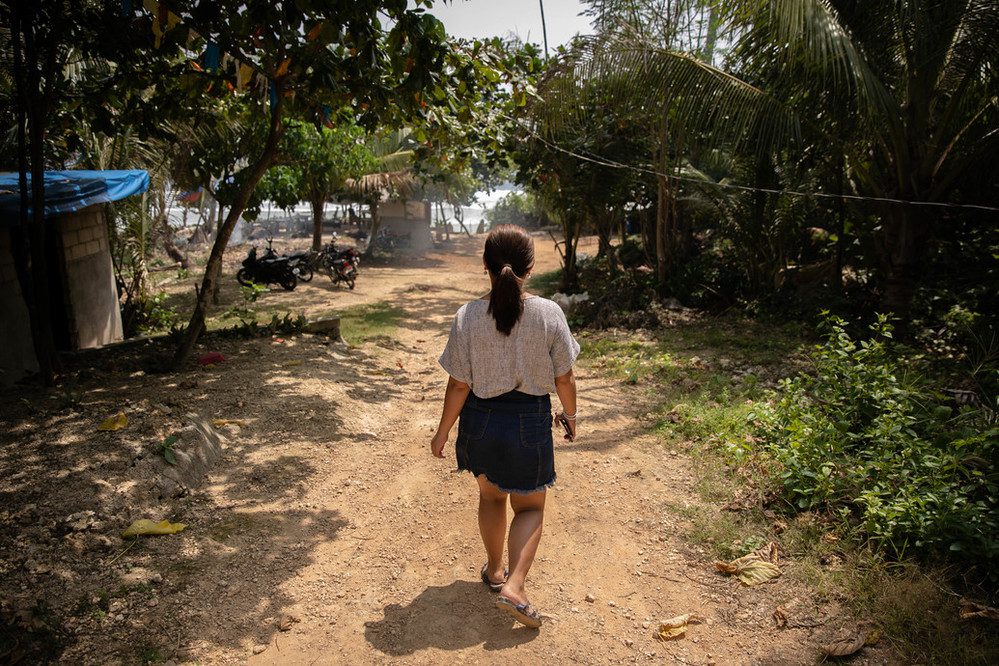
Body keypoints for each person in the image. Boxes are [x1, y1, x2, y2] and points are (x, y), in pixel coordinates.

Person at [431, 224, 580, 629]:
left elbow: (459, 383)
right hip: (529, 421)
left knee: (492, 498)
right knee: (529, 506)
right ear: (529, 268)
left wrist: (443, 431)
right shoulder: (549, 314)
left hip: (480, 420)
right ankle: (515, 585)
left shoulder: (468, 316)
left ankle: (495, 572)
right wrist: (569, 416)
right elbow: (564, 378)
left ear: (485, 265)